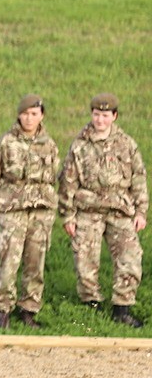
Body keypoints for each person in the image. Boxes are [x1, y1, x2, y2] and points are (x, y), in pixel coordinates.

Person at [58, 93, 147, 328]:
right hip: (88, 211)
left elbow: (138, 178)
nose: (100, 120)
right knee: (85, 261)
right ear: (91, 115)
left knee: (130, 258)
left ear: (114, 117)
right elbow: (68, 181)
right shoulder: (79, 146)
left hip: (120, 210)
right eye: (96, 115)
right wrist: (68, 215)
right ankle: (91, 304)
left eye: (105, 115)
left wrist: (141, 212)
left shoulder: (126, 144)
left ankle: (122, 307)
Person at [0, 95, 58, 329]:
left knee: (35, 263)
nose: (29, 118)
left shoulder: (49, 144)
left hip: (40, 212)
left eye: (34, 113)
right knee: (8, 262)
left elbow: (55, 176)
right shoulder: (5, 142)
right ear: (18, 115)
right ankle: (2, 311)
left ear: (41, 116)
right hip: (12, 211)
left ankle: (29, 310)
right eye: (25, 113)